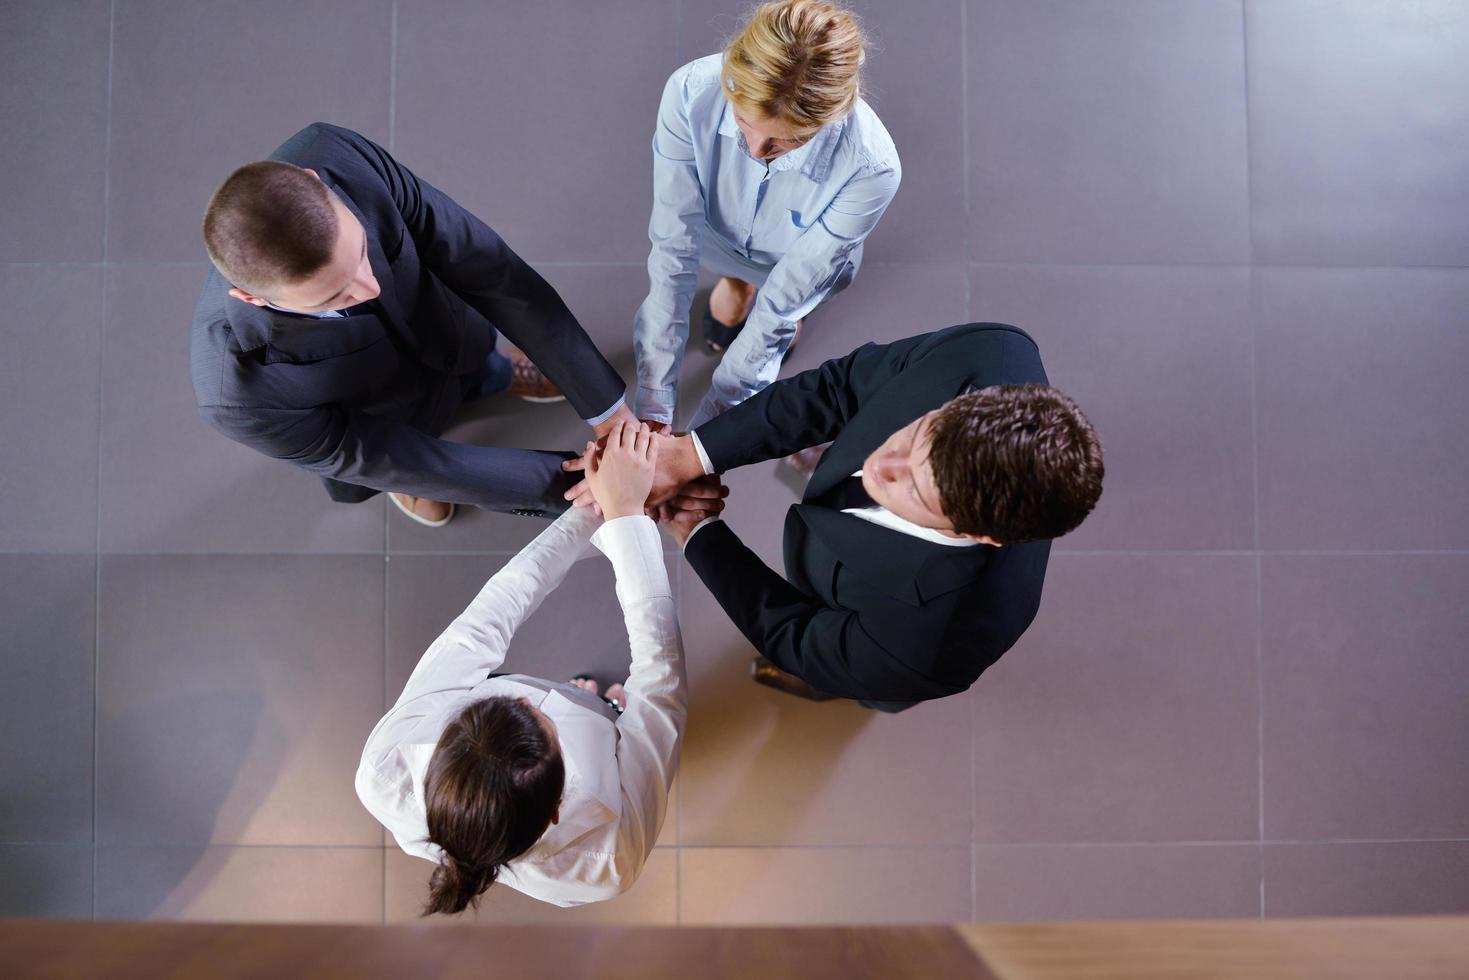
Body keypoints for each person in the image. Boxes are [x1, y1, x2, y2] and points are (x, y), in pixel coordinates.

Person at [571, 323, 1104, 712]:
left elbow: (794, 634)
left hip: (875, 644)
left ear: (973, 534)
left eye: (911, 485)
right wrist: (694, 455)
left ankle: (835, 684)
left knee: (843, 672)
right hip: (855, 582)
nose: (879, 462)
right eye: (917, 434)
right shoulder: (990, 354)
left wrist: (698, 531)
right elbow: (841, 387)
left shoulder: (928, 645)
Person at [191, 122, 637, 528]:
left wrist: (608, 410)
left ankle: (493, 374)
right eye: (334, 296)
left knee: (476, 362)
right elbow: (388, 456)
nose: (369, 288)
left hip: (442, 330)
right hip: (379, 422)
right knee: (410, 464)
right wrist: (591, 488)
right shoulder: (237, 397)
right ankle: (408, 489)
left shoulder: (341, 160)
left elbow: (486, 265)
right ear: (252, 299)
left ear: (317, 182)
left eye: (362, 251)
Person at [357, 420, 685, 912]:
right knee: (629, 720)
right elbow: (660, 685)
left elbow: (486, 623)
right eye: (545, 721)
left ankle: (599, 703)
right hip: (610, 743)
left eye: (502, 699)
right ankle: (608, 711)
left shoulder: (385, 767)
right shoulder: (608, 862)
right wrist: (629, 519)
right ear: (556, 809)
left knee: (590, 703)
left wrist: (597, 509)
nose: (530, 697)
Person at [633, 0, 900, 430]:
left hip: (795, 257)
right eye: (741, 121)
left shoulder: (873, 167)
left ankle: (759, 300)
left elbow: (783, 300)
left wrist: (708, 436)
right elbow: (674, 245)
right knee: (730, 276)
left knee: (780, 312)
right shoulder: (688, 91)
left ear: (827, 119)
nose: (755, 153)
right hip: (716, 237)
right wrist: (653, 404)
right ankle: (736, 284)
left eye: (782, 143)